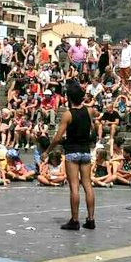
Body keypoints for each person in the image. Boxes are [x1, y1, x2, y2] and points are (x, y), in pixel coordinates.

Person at [48, 81, 97, 230]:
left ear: (69, 98)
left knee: (74, 186)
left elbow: (57, 137)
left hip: (72, 151)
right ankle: (90, 219)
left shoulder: (68, 115)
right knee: (88, 185)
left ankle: (75, 220)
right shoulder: (90, 111)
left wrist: (48, 150)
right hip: (85, 151)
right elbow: (93, 127)